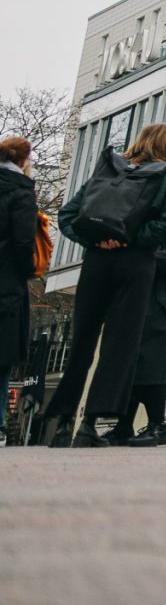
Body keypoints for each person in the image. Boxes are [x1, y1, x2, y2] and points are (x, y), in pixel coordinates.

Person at [40, 121, 166, 447]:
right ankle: (89, 425)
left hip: (96, 261)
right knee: (119, 345)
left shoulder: (110, 169)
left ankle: (63, 424)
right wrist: (132, 240)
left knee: (82, 341)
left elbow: (68, 215)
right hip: (135, 264)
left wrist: (97, 240)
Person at [109, 213, 166, 447]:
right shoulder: (156, 228)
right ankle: (123, 425)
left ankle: (158, 425)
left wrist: (142, 255)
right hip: (145, 305)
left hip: (165, 308)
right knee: (133, 364)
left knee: (153, 365)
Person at [0, 137, 40, 427]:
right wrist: (28, 269)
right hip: (6, 282)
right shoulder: (22, 192)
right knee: (1, 356)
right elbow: (24, 242)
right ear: (24, 160)